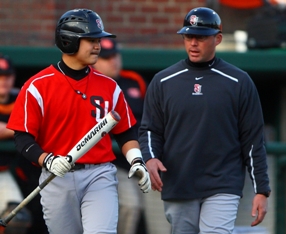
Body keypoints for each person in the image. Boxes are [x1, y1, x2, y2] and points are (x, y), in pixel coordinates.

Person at [7, 8, 151, 234]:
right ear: (69, 41)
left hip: (99, 173)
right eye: (91, 40)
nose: (97, 46)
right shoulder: (37, 86)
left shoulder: (110, 86)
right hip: (57, 176)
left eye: (98, 40)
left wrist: (136, 160)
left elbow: (126, 132)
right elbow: (22, 138)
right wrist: (47, 160)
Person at [138, 7, 271, 234]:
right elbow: (150, 129)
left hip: (223, 183)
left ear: (217, 39)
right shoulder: (163, 81)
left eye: (200, 37)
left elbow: (253, 140)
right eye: (188, 37)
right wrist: (150, 158)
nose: (193, 43)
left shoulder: (239, 81)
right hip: (179, 181)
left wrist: (261, 190)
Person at [93, 38, 171, 234]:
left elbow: (153, 117)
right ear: (95, 61)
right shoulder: (91, 85)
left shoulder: (133, 80)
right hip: (113, 162)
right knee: (130, 206)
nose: (113, 61)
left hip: (145, 158)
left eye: (115, 56)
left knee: (162, 213)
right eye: (106, 57)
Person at [0, 54, 32, 234]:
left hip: (3, 172)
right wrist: (21, 127)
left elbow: (40, 125)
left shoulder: (21, 97)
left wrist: (10, 128)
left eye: (7, 76)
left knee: (17, 219)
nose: (3, 81)